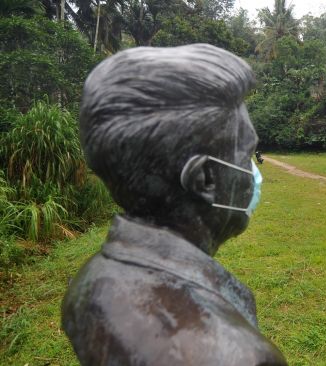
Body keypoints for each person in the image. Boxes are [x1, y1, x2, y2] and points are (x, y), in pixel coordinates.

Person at [61, 44, 287, 365]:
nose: (253, 171)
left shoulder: (89, 281)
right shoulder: (242, 357)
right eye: (247, 153)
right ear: (205, 179)